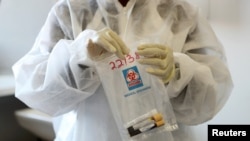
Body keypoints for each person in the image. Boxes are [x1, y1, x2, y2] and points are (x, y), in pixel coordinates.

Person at [12, 0, 233, 141]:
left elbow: (212, 92)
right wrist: (79, 56)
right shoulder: (69, 10)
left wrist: (179, 72)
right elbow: (36, 90)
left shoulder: (179, 12)